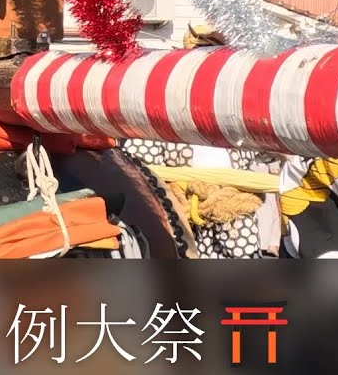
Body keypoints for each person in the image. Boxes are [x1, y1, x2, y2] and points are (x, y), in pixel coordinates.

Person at [119, 24, 279, 258]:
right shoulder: (164, 106)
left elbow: (271, 148)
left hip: (234, 202)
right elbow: (142, 161)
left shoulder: (241, 106)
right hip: (183, 201)